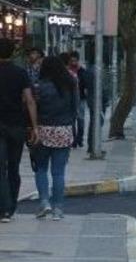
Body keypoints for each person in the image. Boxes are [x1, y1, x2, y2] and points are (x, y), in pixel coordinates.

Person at [31, 56, 79, 220]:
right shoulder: (71, 83)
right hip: (63, 130)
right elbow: (76, 108)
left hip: (43, 130)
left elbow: (33, 108)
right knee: (58, 173)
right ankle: (58, 208)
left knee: (41, 169)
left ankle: (44, 202)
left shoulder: (38, 86)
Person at [0, 38, 39, 223]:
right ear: (12, 53)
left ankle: (3, 209)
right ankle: (10, 208)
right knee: (13, 167)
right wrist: (35, 126)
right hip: (16, 125)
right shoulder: (20, 73)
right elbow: (30, 100)